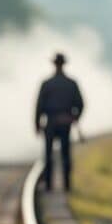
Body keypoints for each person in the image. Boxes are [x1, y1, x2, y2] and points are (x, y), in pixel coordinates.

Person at [35, 53, 84, 191]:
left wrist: (37, 124)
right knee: (65, 155)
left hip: (50, 122)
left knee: (48, 154)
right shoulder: (71, 83)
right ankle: (67, 185)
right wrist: (74, 117)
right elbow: (80, 104)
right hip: (65, 122)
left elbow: (39, 105)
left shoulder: (47, 84)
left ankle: (49, 185)